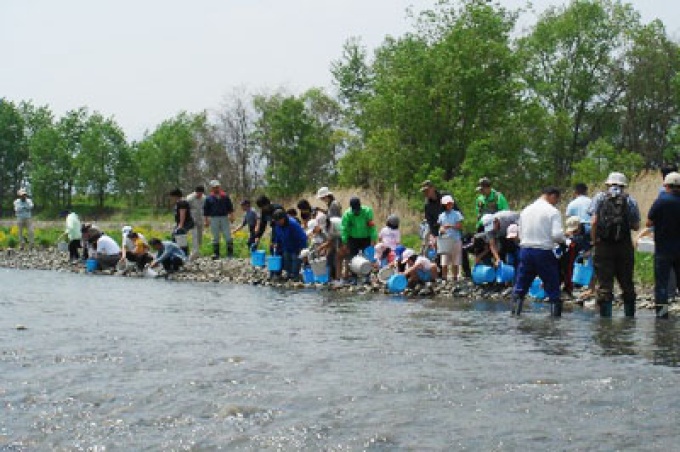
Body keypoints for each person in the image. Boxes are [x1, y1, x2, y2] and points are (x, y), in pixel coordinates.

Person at [589, 172, 641, 317]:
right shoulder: (630, 200)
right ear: (624, 185)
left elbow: (593, 221)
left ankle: (606, 324)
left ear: (608, 184)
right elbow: (636, 226)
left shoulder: (599, 198)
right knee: (627, 284)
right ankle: (630, 320)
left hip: (603, 246)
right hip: (624, 247)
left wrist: (594, 241)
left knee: (605, 286)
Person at [512, 187, 565, 317]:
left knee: (520, 287)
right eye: (556, 200)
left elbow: (520, 233)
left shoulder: (526, 210)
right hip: (543, 251)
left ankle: (515, 316)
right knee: (553, 288)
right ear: (552, 196)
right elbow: (557, 234)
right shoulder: (553, 212)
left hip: (525, 250)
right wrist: (564, 241)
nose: (556, 203)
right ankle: (555, 322)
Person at [646, 171, 680, 318]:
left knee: (662, 285)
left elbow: (649, 222)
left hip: (663, 250)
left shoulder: (661, 201)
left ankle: (662, 316)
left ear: (666, 185)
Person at [272, 208, 307, 280]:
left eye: (279, 220)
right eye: (277, 221)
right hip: (286, 246)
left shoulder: (293, 224)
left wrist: (302, 249)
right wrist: (276, 243)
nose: (278, 222)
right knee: (287, 261)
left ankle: (295, 276)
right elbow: (278, 236)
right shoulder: (277, 225)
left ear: (284, 218)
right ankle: (289, 275)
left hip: (297, 246)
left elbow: (302, 237)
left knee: (295, 261)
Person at [202, 180, 235, 259]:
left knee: (228, 235)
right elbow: (206, 210)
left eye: (218, 187)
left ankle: (230, 254)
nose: (217, 189)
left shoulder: (225, 197)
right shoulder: (208, 198)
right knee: (215, 236)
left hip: (224, 217)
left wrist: (232, 216)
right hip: (214, 218)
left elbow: (230, 207)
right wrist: (206, 220)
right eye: (215, 187)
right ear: (212, 188)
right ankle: (216, 254)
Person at [316, 187, 343, 279]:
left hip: (336, 232)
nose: (322, 200)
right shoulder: (331, 204)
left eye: (323, 198)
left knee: (335, 254)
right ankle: (333, 275)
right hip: (333, 231)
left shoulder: (334, 205)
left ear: (327, 196)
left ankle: (335, 276)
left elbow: (334, 219)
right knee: (332, 253)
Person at [341, 196, 378, 260]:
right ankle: (349, 270)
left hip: (366, 238)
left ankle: (369, 269)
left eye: (357, 209)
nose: (356, 212)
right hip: (353, 238)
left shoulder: (367, 211)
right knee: (351, 259)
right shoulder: (347, 214)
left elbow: (372, 227)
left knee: (368, 258)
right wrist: (344, 242)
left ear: (360, 206)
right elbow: (344, 229)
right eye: (354, 210)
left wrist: (373, 239)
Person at [437, 195, 464, 281]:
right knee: (444, 261)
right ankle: (444, 278)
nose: (449, 205)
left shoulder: (457, 214)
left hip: (455, 239)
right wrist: (441, 230)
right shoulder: (441, 216)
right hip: (445, 240)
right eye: (447, 204)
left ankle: (454, 278)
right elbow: (440, 227)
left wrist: (451, 226)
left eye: (450, 203)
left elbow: (460, 226)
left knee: (455, 260)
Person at [168, 188, 194, 255]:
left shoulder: (182, 202)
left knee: (180, 235)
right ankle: (175, 252)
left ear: (175, 196)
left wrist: (180, 225)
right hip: (180, 223)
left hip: (186, 223)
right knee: (174, 236)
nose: (171, 198)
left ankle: (185, 253)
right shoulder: (178, 203)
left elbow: (183, 214)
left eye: (171, 196)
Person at [185, 185, 206, 260]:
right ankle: (194, 253)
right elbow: (185, 210)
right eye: (198, 193)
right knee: (194, 236)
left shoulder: (204, 198)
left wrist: (207, 219)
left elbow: (205, 208)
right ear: (195, 192)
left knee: (200, 236)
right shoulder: (189, 198)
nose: (200, 195)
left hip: (201, 219)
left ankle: (197, 252)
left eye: (201, 193)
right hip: (192, 219)